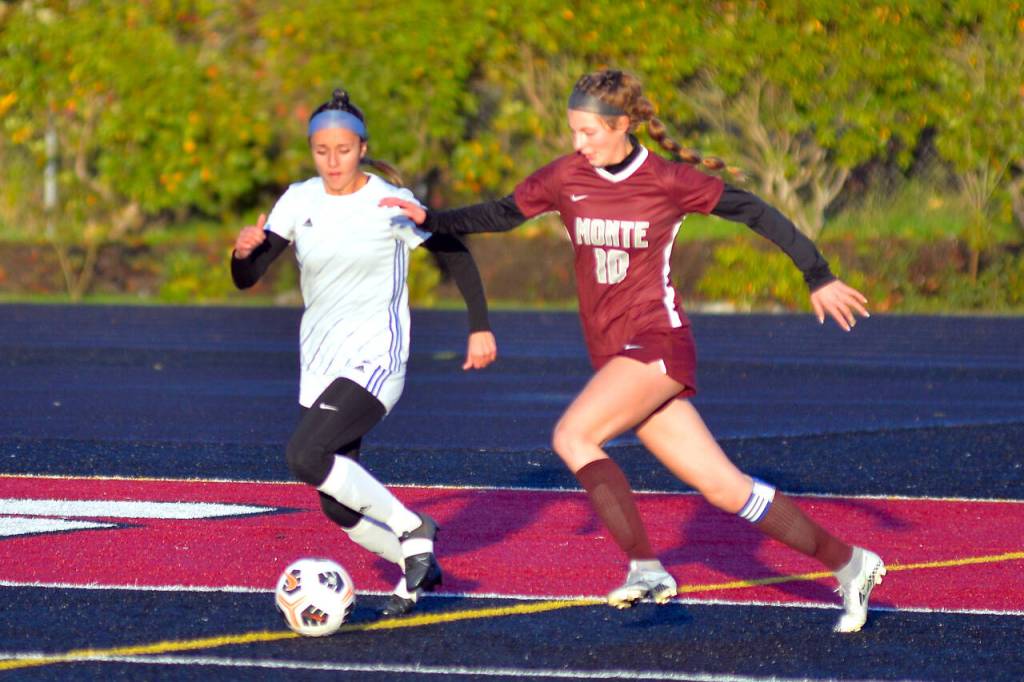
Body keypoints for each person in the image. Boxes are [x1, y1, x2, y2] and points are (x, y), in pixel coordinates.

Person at [381, 69, 884, 633]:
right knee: (724, 487)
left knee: (573, 435)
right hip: (613, 352)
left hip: (659, 341)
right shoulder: (566, 176)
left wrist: (818, 275)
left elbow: (753, 211)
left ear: (622, 126)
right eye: (573, 131)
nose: (579, 144)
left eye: (590, 132)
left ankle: (646, 568)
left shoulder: (667, 181)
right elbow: (501, 213)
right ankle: (851, 563)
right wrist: (433, 217)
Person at [231, 88, 497, 617]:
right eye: (322, 151)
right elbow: (248, 277)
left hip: (378, 357)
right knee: (335, 502)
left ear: (362, 147)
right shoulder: (298, 199)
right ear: (312, 150)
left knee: (304, 456)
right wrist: (241, 252)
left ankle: (412, 528)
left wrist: (479, 327)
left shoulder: (387, 204)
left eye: (344, 150)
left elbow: (455, 253)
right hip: (320, 363)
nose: (333, 162)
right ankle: (416, 563)